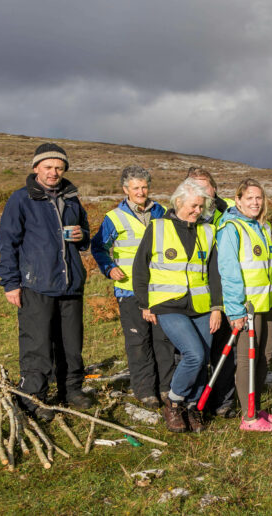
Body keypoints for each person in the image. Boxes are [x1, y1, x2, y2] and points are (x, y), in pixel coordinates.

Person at [0, 143, 93, 421]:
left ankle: (72, 389)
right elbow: (8, 243)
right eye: (49, 167)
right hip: (36, 283)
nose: (54, 172)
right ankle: (34, 398)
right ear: (36, 167)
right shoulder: (21, 199)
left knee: (71, 342)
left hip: (70, 282)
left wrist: (81, 235)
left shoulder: (72, 198)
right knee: (37, 343)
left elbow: (86, 234)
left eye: (59, 168)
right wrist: (10, 282)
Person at [132, 179, 223, 433]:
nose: (198, 211)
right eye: (194, 205)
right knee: (193, 354)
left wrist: (216, 307)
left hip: (202, 305)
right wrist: (145, 303)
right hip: (167, 304)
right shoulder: (158, 227)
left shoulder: (208, 230)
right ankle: (174, 402)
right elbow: (140, 268)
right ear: (179, 201)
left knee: (203, 357)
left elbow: (213, 273)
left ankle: (193, 408)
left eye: (201, 207)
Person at [91, 165, 172, 410]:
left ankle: (166, 388)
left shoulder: (163, 211)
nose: (141, 191)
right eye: (136, 187)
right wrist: (108, 267)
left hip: (161, 288)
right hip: (128, 290)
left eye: (144, 186)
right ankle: (145, 390)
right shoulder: (114, 217)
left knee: (164, 340)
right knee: (138, 341)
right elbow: (98, 247)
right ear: (126, 189)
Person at [216, 179, 272, 431]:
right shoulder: (230, 228)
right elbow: (229, 272)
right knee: (247, 359)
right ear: (238, 200)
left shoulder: (261, 227)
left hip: (264, 304)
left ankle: (254, 406)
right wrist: (234, 310)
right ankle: (248, 417)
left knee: (265, 355)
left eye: (259, 198)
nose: (255, 203)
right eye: (250, 198)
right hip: (246, 308)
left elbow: (269, 270)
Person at [186, 167, 238, 418]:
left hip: (226, 288)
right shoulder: (182, 211)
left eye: (205, 186)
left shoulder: (228, 211)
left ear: (214, 188)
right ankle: (195, 401)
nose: (201, 192)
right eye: (194, 186)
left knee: (225, 350)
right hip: (195, 291)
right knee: (196, 350)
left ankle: (223, 401)